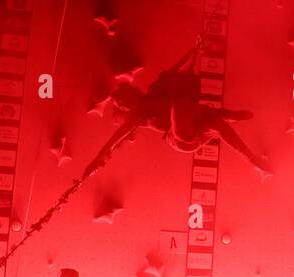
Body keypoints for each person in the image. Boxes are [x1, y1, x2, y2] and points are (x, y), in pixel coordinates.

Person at [84, 42, 270, 179]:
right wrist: (96, 161)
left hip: (194, 122)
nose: (125, 104)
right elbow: (114, 140)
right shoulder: (138, 116)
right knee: (178, 104)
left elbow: (175, 70)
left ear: (132, 91)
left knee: (215, 124)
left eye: (124, 97)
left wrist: (195, 50)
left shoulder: (155, 90)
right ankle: (226, 114)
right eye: (122, 104)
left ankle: (253, 160)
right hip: (180, 138)